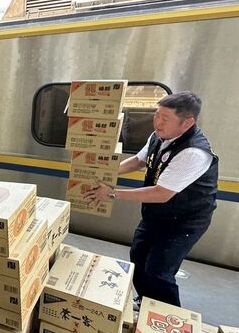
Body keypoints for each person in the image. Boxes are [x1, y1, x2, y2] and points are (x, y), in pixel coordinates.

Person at [84, 92, 218, 307]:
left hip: (184, 221)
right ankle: (146, 302)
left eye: (165, 119)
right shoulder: (159, 136)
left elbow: (161, 193)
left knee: (159, 270)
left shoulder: (193, 152)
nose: (157, 122)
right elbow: (139, 161)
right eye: (157, 115)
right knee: (138, 256)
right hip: (157, 215)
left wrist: (111, 193)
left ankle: (166, 317)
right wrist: (106, 174)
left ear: (187, 123)